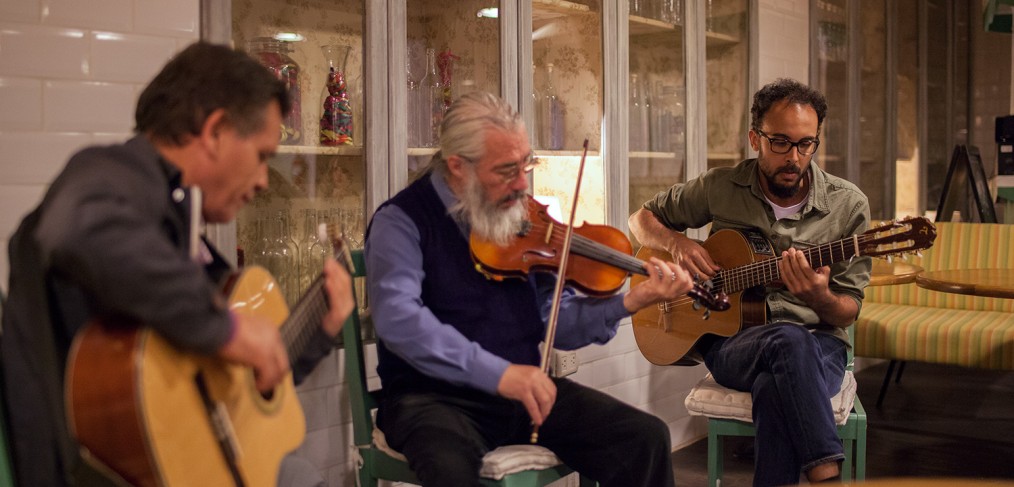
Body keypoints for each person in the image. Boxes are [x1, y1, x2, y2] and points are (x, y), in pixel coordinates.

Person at [0, 42, 354, 486]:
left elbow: (242, 392)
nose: (265, 179)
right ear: (216, 130)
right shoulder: (112, 174)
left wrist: (321, 327)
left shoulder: (181, 228)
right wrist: (229, 329)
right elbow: (77, 228)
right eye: (262, 155)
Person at [364, 91, 694, 487]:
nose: (523, 184)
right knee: (451, 470)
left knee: (645, 438)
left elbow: (556, 321)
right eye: (506, 170)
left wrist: (628, 302)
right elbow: (400, 321)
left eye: (526, 164)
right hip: (432, 400)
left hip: (521, 395)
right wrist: (499, 373)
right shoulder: (400, 222)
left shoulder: (519, 221)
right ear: (457, 167)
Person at [628, 78, 871, 486]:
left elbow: (849, 307)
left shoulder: (848, 206)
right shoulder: (721, 187)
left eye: (806, 144)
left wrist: (819, 296)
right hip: (730, 342)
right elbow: (641, 220)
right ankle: (827, 474)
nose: (794, 157)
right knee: (787, 342)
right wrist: (678, 243)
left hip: (821, 346)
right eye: (780, 142)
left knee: (778, 377)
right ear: (754, 139)